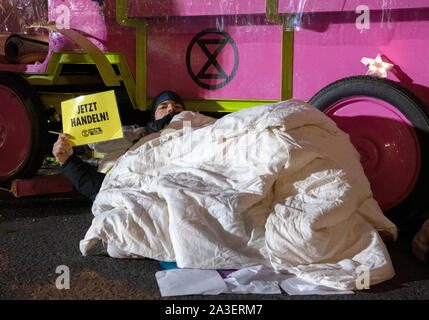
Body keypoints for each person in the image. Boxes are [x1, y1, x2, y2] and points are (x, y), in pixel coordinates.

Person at [53, 90, 185, 201]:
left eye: (177, 107)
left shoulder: (198, 129)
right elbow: (104, 188)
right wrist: (68, 161)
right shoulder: (137, 138)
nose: (171, 109)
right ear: (153, 116)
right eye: (163, 106)